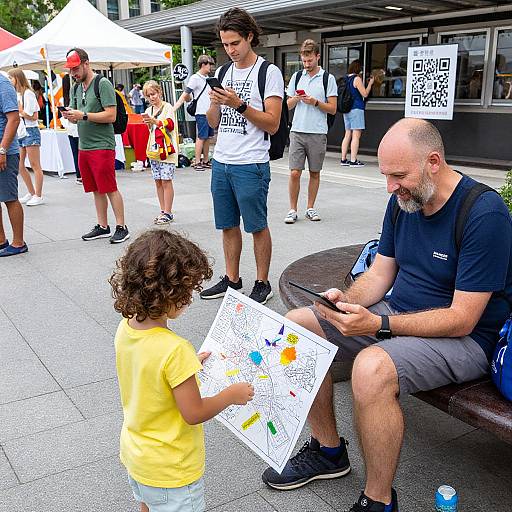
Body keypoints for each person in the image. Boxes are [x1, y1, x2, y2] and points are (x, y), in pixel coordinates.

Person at [261, 118, 512, 512]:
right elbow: (379, 273)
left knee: (370, 367)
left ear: (433, 161)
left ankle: (379, 499)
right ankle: (328, 452)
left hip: (465, 339)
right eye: (385, 176)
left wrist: (379, 324)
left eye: (398, 175)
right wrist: (345, 302)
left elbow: (463, 318)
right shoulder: (405, 201)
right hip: (399, 313)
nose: (390, 187)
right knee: (298, 327)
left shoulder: (484, 214)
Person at [110, 229, 254, 512]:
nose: (190, 298)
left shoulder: (126, 328)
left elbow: (149, 372)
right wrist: (230, 395)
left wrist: (186, 369)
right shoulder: (175, 349)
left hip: (138, 456)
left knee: (146, 505)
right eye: (187, 291)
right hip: (171, 469)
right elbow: (194, 413)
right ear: (169, 292)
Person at [201, 7, 283, 305]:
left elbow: (272, 123)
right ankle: (232, 279)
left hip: (251, 163)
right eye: (225, 44)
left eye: (235, 42)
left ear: (250, 36)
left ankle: (262, 282)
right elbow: (213, 123)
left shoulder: (268, 72)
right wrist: (214, 102)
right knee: (227, 225)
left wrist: (238, 104)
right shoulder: (222, 72)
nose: (230, 50)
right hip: (222, 161)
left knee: (257, 226)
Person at [62, 48, 129, 244]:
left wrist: (83, 115)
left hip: (102, 144)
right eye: (70, 70)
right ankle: (102, 225)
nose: (73, 73)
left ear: (86, 63)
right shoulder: (75, 87)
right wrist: (71, 116)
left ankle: (121, 226)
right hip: (84, 145)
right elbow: (77, 118)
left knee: (109, 186)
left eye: (75, 68)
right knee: (95, 188)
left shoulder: (103, 83)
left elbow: (111, 115)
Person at [284, 39, 337, 225]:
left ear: (317, 57)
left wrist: (314, 102)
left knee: (314, 172)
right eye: (304, 61)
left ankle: (310, 207)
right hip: (297, 130)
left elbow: (333, 108)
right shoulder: (297, 77)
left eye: (310, 61)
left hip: (317, 132)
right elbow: (287, 106)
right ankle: (292, 209)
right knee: (294, 173)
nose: (306, 65)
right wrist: (297, 98)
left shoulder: (327, 79)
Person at [142, 80, 178, 225]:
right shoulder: (148, 110)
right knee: (158, 181)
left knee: (166, 180)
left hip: (167, 150)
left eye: (154, 94)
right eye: (149, 95)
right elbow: (150, 131)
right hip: (155, 149)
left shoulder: (167, 107)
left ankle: (168, 212)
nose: (152, 97)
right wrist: (149, 122)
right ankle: (162, 210)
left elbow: (170, 124)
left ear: (160, 93)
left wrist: (154, 121)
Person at [0, 72, 28, 257]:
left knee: (10, 197)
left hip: (5, 152)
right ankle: (1, 240)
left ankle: (19, 242)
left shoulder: (2, 83)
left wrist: (2, 149)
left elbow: (14, 118)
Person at [8, 68, 45, 206]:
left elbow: (34, 116)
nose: (10, 81)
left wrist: (21, 112)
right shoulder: (17, 94)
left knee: (35, 165)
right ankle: (31, 191)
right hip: (22, 131)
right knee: (20, 165)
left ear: (17, 78)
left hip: (30, 130)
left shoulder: (28, 94)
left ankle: (38, 195)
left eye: (11, 78)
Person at [174, 55, 215, 171]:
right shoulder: (195, 78)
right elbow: (185, 93)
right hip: (201, 112)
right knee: (201, 137)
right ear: (203, 64)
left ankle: (206, 160)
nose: (211, 67)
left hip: (209, 112)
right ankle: (197, 161)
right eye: (209, 64)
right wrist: (175, 107)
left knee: (208, 137)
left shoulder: (208, 78)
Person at [340, 60, 374, 168]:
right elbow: (364, 93)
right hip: (356, 109)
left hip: (346, 109)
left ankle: (343, 159)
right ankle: (353, 160)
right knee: (356, 135)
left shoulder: (345, 79)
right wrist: (370, 84)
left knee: (347, 134)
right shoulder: (356, 79)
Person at [61, 73, 81, 184]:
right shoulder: (76, 91)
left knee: (76, 153)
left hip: (72, 127)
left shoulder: (67, 95)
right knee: (79, 153)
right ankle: (80, 175)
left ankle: (79, 175)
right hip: (76, 127)